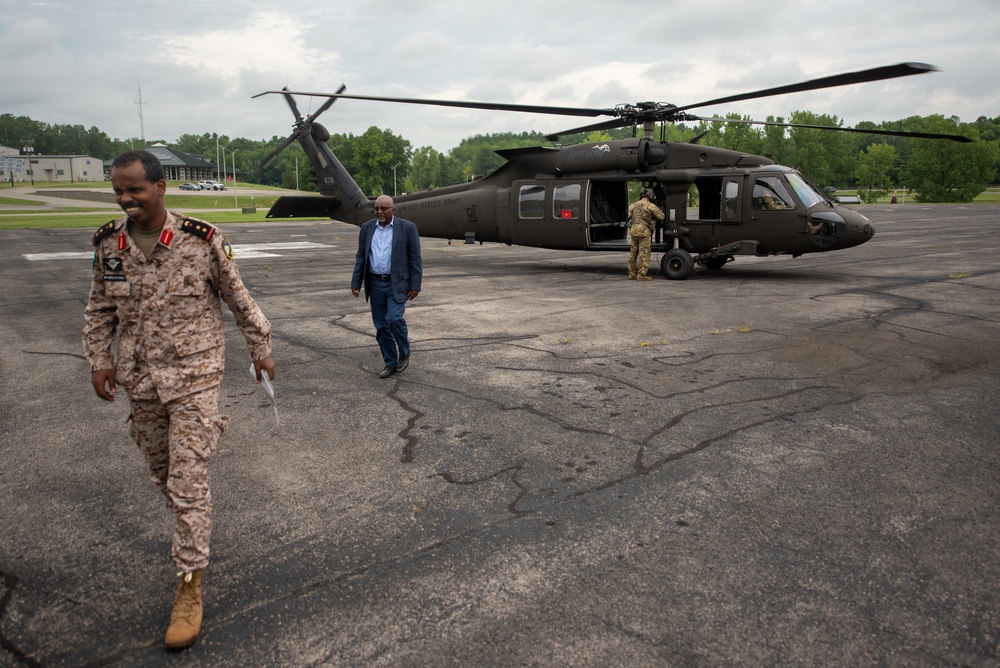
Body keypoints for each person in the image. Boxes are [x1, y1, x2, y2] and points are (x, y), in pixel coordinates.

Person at [82, 149, 275, 650]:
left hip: (195, 377)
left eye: (135, 190)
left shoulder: (202, 240)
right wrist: (99, 359)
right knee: (164, 473)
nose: (125, 199)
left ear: (160, 187)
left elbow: (239, 298)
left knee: (188, 480)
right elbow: (99, 309)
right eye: (118, 191)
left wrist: (261, 348)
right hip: (141, 381)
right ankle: (198, 520)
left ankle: (190, 583)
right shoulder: (109, 245)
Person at [351, 195, 422, 378]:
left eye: (383, 208)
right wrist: (356, 282)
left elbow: (415, 259)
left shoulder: (407, 228)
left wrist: (415, 285)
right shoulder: (367, 229)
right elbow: (361, 257)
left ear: (393, 210)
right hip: (374, 283)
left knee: (394, 319)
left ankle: (404, 351)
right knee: (381, 325)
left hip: (396, 284)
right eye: (377, 209)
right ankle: (390, 362)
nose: (380, 212)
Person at [627, 188, 665, 281]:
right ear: (651, 196)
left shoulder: (634, 204)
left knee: (633, 253)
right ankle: (641, 275)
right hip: (644, 231)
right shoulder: (650, 206)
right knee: (644, 254)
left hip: (634, 230)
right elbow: (661, 217)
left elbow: (631, 214)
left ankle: (631, 274)